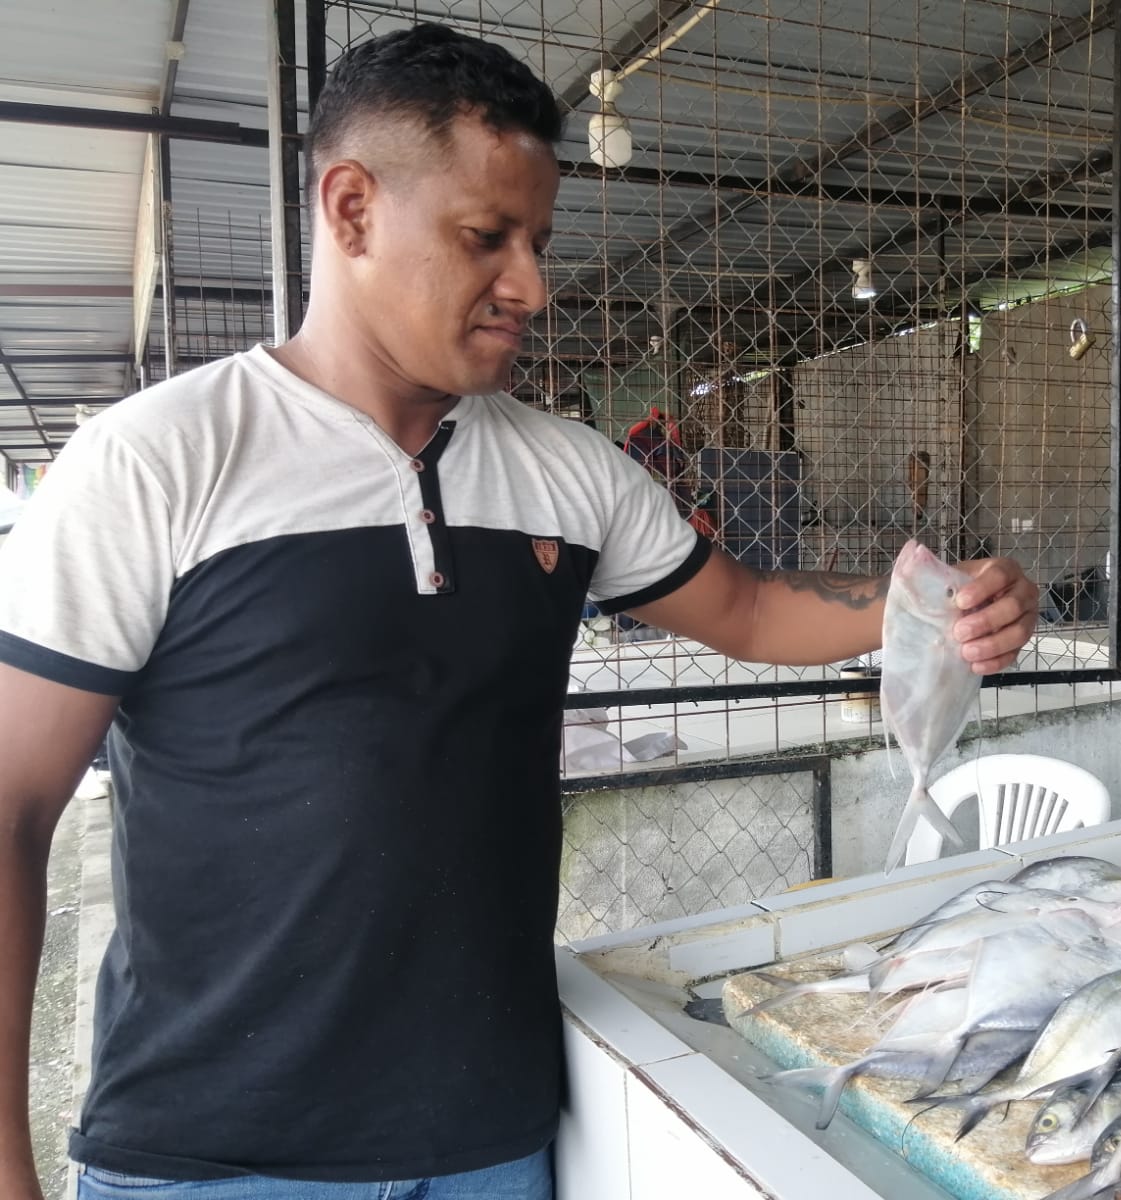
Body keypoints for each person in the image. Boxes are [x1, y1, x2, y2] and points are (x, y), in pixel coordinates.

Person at [0, 23, 1040, 1200]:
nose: (531, 289)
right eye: (484, 239)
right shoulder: (158, 464)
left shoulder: (569, 472)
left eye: (537, 243)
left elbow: (748, 610)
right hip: (215, 1150)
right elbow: (12, 805)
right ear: (350, 210)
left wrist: (935, 601)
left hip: (488, 1135)